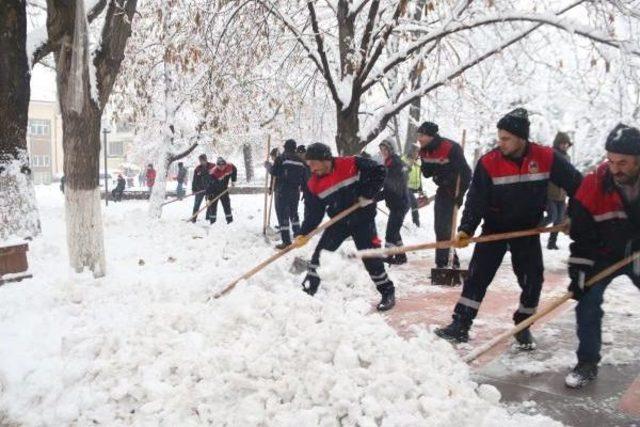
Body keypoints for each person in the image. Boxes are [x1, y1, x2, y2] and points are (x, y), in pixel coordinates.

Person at [434, 108, 583, 349]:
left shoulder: (545, 157)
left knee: (533, 280)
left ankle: (523, 326)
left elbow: (579, 186)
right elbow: (476, 199)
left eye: (506, 138)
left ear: (521, 138)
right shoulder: (489, 162)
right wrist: (466, 229)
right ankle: (460, 325)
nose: (500, 143)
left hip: (527, 231)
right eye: (499, 137)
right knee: (477, 277)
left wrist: (573, 215)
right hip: (495, 229)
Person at [564, 124, 640, 388]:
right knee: (587, 301)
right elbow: (582, 237)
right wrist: (580, 273)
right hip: (603, 254)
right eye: (610, 160)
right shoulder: (592, 185)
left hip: (638, 252)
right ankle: (586, 362)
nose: (615, 168)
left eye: (623, 162)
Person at [291, 143, 396, 311]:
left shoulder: (351, 163)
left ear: (325, 159)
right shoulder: (313, 185)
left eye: (312, 164)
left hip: (363, 219)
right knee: (320, 255)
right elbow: (313, 214)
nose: (310, 169)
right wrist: (304, 233)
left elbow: (380, 171)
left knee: (370, 257)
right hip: (338, 223)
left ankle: (387, 292)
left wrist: (368, 193)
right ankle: (308, 290)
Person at [417, 121, 472, 269]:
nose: (419, 138)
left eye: (422, 135)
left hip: (454, 190)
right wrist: (426, 164)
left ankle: (445, 263)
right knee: (440, 228)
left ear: (431, 136)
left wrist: (460, 195)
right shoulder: (423, 150)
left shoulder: (451, 148)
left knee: (445, 227)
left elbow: (467, 173)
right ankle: (448, 261)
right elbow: (427, 174)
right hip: (442, 189)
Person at [267, 139, 309, 249]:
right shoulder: (301, 161)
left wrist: (268, 166)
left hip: (282, 191)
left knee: (283, 215)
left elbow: (274, 172)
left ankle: (286, 241)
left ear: (285, 147)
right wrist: (305, 191)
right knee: (294, 213)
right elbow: (305, 178)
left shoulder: (281, 158)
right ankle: (297, 234)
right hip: (295, 192)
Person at [379, 139, 410, 264]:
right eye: (381, 150)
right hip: (396, 203)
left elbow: (391, 188)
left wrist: (374, 197)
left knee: (391, 232)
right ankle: (401, 256)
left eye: (385, 149)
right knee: (395, 231)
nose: (383, 152)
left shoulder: (395, 164)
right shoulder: (389, 162)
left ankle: (388, 256)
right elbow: (386, 184)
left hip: (400, 203)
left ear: (391, 150)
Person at [544, 132, 573, 249]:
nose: (565, 146)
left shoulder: (568, 158)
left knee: (559, 220)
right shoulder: (551, 155)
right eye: (563, 144)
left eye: (567, 144)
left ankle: (552, 243)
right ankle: (530, 233)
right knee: (552, 216)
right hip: (550, 193)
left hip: (561, 195)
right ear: (558, 144)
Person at [206, 157, 237, 224]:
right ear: (217, 166)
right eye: (220, 166)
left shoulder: (230, 166)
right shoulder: (213, 173)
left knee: (227, 205)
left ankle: (230, 221)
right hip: (214, 192)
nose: (222, 167)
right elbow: (209, 186)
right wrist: (208, 198)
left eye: (223, 165)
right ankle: (213, 222)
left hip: (224, 190)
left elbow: (234, 170)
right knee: (213, 207)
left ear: (225, 165)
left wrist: (233, 180)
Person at [404, 148, 424, 226]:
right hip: (405, 186)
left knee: (408, 205)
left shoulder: (418, 161)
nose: (417, 154)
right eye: (415, 152)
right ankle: (416, 223)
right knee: (414, 204)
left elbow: (418, 175)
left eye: (418, 153)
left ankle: (398, 218)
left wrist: (420, 189)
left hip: (414, 187)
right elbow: (402, 172)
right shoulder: (405, 160)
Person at [191, 154, 214, 222]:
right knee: (196, 204)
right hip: (200, 190)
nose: (201, 162)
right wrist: (193, 189)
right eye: (200, 161)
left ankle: (208, 218)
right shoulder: (198, 169)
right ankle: (194, 218)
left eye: (202, 160)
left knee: (209, 204)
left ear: (206, 159)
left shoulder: (212, 166)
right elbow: (195, 180)